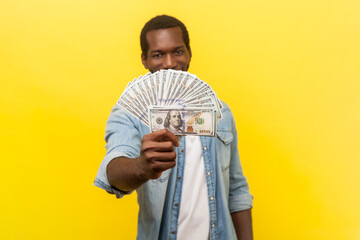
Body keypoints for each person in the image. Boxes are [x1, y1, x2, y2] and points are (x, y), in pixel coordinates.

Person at [94, 15, 253, 240]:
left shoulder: (220, 112)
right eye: (158, 55)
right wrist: (142, 166)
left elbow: (237, 189)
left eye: (177, 51)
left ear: (189, 53)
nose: (169, 63)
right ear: (144, 60)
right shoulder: (130, 111)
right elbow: (112, 172)